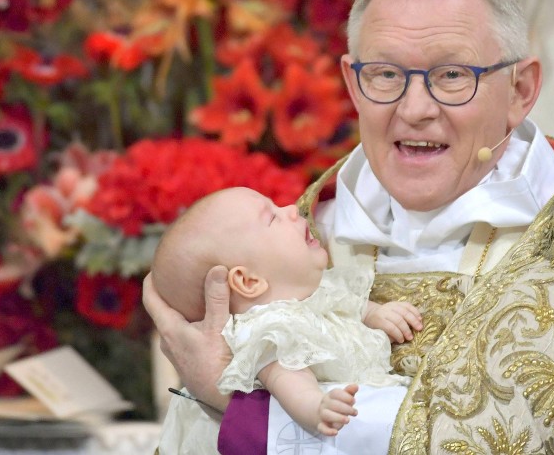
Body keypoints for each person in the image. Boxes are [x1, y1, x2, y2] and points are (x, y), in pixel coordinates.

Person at [144, 0, 554, 454]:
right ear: (353, 84)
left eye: (452, 75)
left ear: (519, 91)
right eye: (384, 75)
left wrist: (231, 398)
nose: (415, 108)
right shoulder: (306, 234)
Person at [150, 187, 420, 453]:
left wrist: (375, 314)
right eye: (271, 218)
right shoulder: (269, 330)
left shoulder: (312, 289)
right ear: (248, 281)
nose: (292, 210)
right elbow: (289, 382)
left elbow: (343, 302)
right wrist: (316, 407)